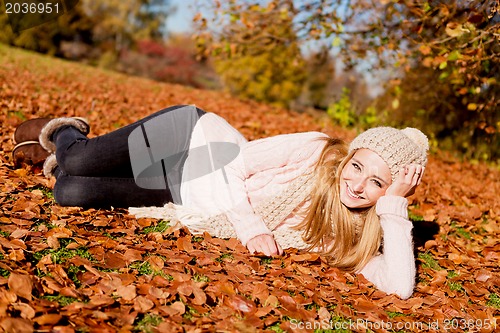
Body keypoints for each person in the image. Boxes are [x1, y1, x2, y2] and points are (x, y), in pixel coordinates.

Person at [12, 104, 428, 299]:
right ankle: (67, 131)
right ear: (349, 154)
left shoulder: (348, 235)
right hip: (195, 140)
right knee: (81, 159)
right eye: (357, 166)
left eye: (376, 183)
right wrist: (253, 228)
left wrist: (394, 206)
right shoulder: (317, 150)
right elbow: (234, 164)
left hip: (186, 193)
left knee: (71, 191)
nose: (356, 185)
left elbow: (399, 286)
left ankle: (52, 157)